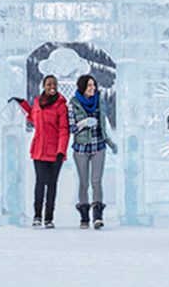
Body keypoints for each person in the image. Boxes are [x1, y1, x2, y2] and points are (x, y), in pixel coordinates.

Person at [9, 74, 69, 228]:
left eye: (54, 84)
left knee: (52, 184)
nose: (52, 87)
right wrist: (22, 103)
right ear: (44, 85)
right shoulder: (37, 102)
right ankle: (37, 216)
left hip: (55, 151)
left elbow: (64, 130)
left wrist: (61, 151)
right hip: (39, 150)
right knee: (40, 183)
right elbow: (32, 118)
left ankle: (48, 218)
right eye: (49, 84)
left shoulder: (61, 105)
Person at [67, 72, 118, 229]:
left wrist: (110, 142)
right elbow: (71, 128)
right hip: (81, 148)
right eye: (89, 85)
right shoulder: (73, 104)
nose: (92, 88)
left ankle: (97, 216)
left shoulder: (99, 101)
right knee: (84, 182)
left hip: (98, 146)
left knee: (97, 181)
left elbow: (104, 124)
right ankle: (84, 216)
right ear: (82, 87)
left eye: (94, 85)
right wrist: (83, 124)